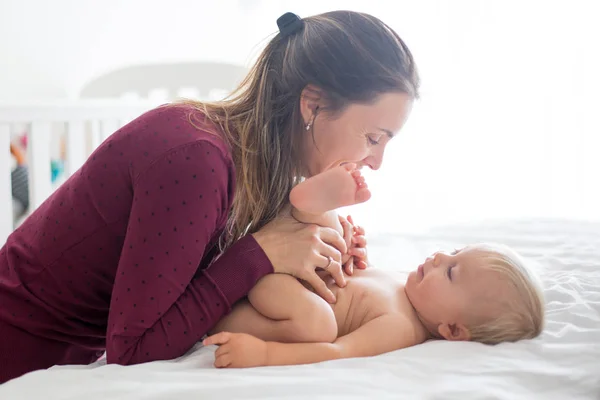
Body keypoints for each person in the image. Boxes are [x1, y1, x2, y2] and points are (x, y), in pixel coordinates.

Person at [0, 10, 419, 383]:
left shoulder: (259, 168)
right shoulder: (196, 160)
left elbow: (205, 282)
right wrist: (262, 251)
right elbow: (132, 354)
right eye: (373, 138)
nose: (376, 161)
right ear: (311, 104)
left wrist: (313, 264)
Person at [203, 165, 546, 367]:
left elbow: (336, 351)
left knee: (319, 325)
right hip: (292, 273)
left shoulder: (401, 327)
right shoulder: (407, 285)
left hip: (259, 304)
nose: (440, 258)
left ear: (453, 331)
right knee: (334, 235)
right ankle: (313, 201)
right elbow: (354, 283)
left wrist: (263, 354)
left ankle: (236, 298)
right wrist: (351, 254)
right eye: (454, 252)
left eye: (452, 272)